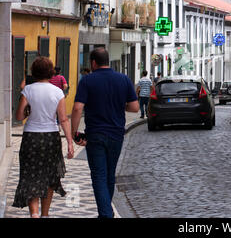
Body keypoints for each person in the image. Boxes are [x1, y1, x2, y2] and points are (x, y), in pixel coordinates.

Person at [71, 48, 139, 218]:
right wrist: (117, 105)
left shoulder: (87, 81)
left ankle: (106, 214)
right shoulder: (123, 79)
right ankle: (106, 212)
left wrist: (74, 132)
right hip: (116, 134)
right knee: (109, 174)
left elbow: (78, 107)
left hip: (95, 134)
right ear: (107, 61)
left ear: (93, 63)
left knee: (99, 175)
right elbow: (134, 107)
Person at [13, 57, 74, 218]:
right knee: (49, 176)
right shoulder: (58, 92)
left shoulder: (28, 90)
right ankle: (45, 214)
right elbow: (63, 119)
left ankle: (34, 213)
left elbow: (18, 116)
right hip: (51, 138)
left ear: (34, 71)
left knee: (31, 174)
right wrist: (69, 142)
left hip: (31, 137)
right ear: (51, 72)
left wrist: (27, 109)